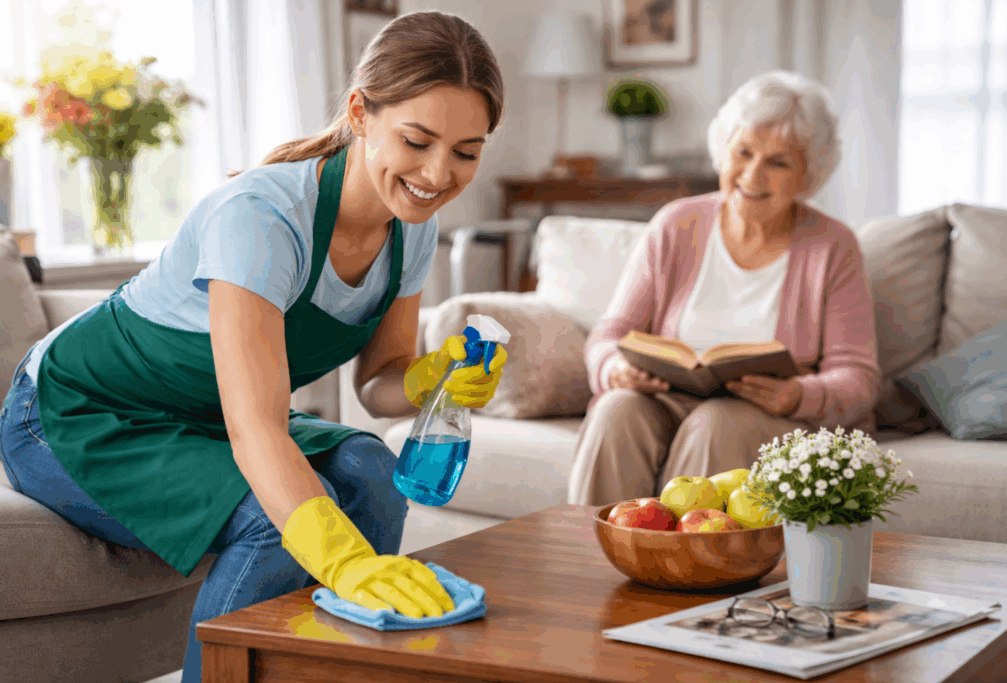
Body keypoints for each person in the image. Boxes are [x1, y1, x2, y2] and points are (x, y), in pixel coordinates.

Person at [0, 11, 505, 682]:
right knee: (274, 519)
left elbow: (377, 381)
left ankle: (338, 670)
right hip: (75, 413)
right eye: (417, 140)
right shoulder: (262, 216)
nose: (439, 174)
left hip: (202, 418)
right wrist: (346, 561)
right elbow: (258, 430)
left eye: (466, 152)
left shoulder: (411, 226)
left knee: (372, 477)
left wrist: (430, 377)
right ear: (360, 112)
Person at [568, 70, 880, 506]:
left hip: (771, 419)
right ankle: (593, 558)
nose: (753, 175)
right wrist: (613, 369)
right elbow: (611, 332)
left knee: (718, 422)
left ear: (808, 175)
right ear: (723, 150)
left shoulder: (833, 245)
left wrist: (797, 395)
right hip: (670, 398)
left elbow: (859, 377)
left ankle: (687, 567)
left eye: (779, 162)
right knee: (615, 409)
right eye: (744, 152)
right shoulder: (677, 223)